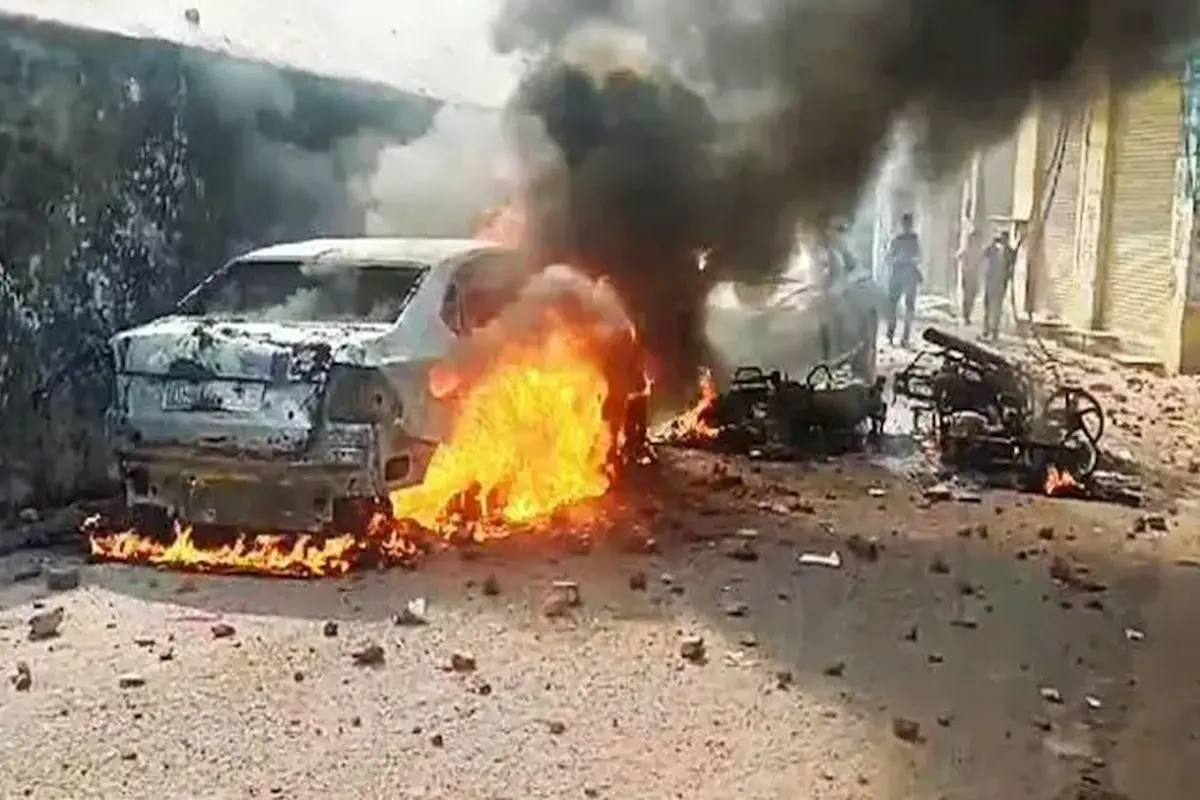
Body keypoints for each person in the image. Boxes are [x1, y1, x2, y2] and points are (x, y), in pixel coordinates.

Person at [885, 212, 922, 347]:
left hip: (903, 274)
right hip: (903, 274)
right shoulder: (902, 239)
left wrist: (899, 259)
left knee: (902, 306)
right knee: (898, 306)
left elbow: (889, 257)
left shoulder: (903, 239)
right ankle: (896, 335)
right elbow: (890, 257)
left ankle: (900, 336)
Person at [982, 229, 1016, 341]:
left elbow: (1011, 267)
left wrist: (1009, 277)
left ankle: (994, 330)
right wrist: (992, 244)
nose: (1003, 241)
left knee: (997, 308)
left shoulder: (1010, 252)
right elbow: (984, 253)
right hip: (990, 282)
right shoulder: (993, 249)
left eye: (1005, 239)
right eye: (1002, 238)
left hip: (1001, 284)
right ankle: (986, 329)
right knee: (987, 307)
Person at [956, 225, 983, 325]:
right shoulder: (969, 249)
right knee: (967, 296)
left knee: (971, 296)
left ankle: (967, 315)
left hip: (974, 276)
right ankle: (965, 315)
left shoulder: (979, 250)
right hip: (968, 275)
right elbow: (959, 256)